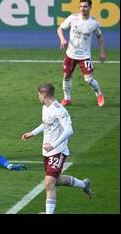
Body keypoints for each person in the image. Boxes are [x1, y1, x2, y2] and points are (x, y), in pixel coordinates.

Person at [21, 83, 93, 214]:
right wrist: (32, 133)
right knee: (56, 180)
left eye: (38, 95)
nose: (38, 97)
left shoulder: (59, 110)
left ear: (44, 95)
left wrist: (53, 145)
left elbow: (69, 130)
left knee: (49, 183)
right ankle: (84, 184)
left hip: (58, 151)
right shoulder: (45, 107)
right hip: (48, 151)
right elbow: (46, 123)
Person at [57, 0, 106, 107]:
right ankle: (67, 99)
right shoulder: (73, 18)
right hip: (70, 54)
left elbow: (100, 37)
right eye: (81, 6)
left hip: (85, 56)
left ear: (90, 7)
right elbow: (60, 29)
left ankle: (99, 93)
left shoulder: (94, 23)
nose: (82, 9)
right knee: (66, 77)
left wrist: (102, 52)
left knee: (89, 80)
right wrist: (62, 39)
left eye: (85, 6)